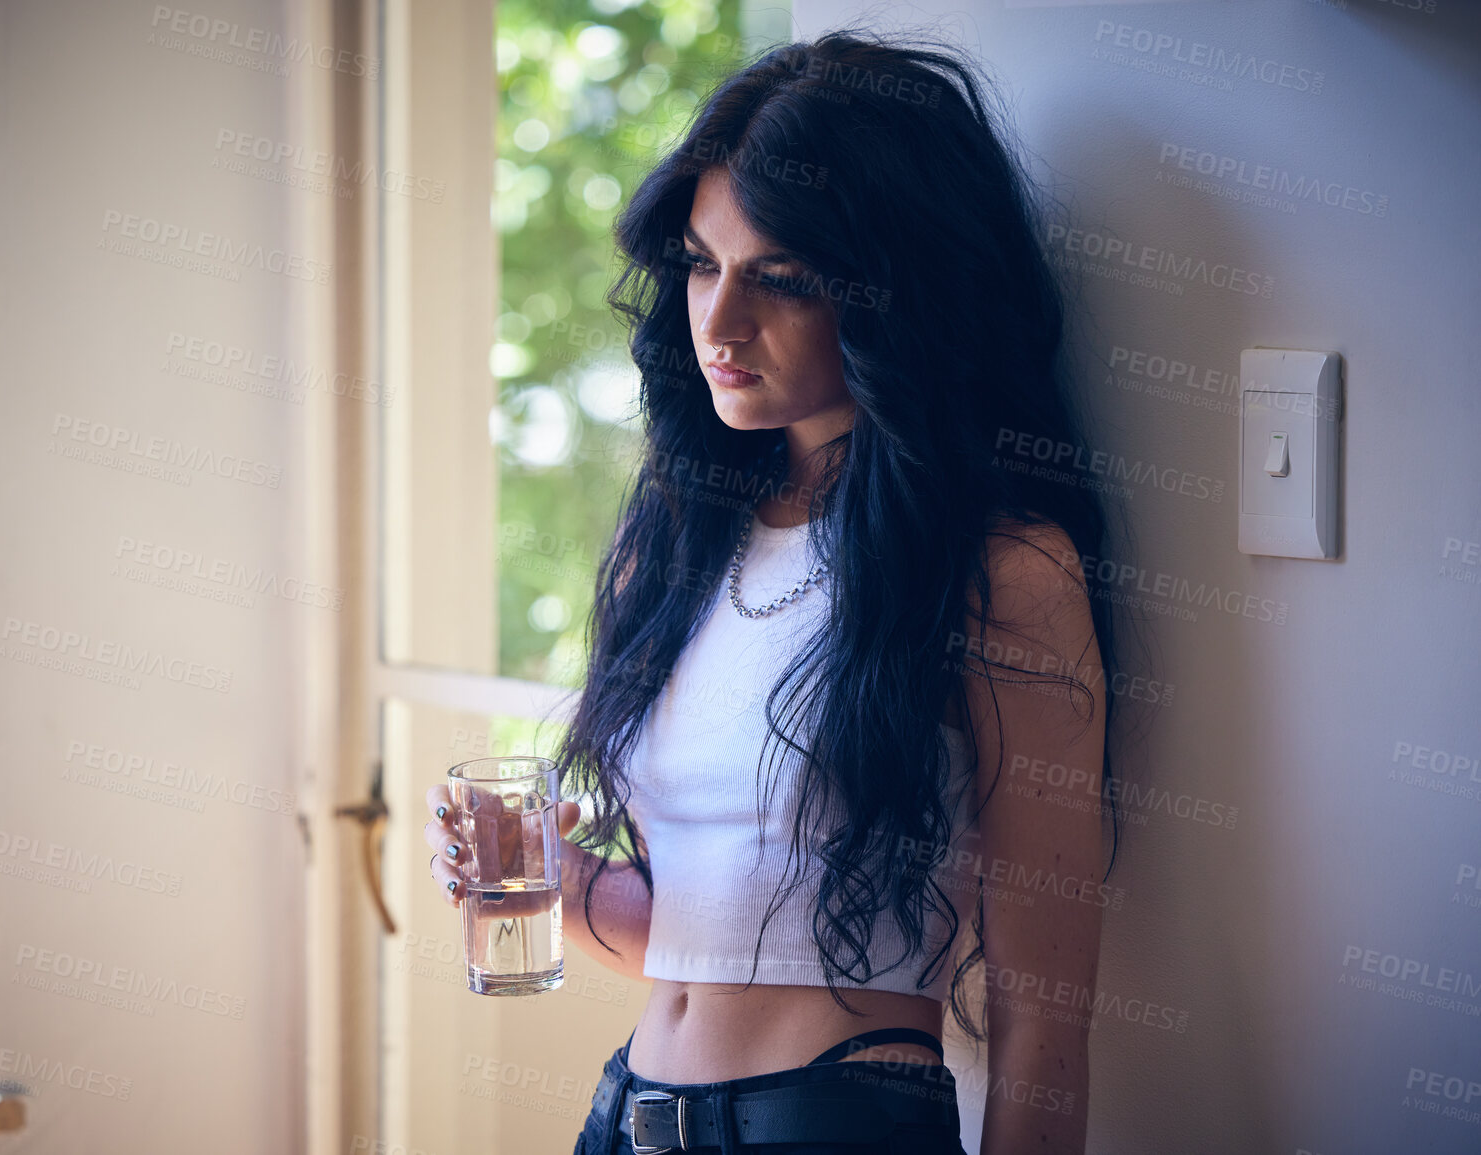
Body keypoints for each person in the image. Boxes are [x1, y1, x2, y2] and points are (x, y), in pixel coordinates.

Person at [425, 28, 1123, 1155]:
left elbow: (1047, 1018)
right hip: (626, 1121)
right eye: (701, 263)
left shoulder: (1001, 572)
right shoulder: (683, 541)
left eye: (781, 279)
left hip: (833, 1121)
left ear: (896, 292)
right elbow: (713, 939)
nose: (718, 321)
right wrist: (556, 883)